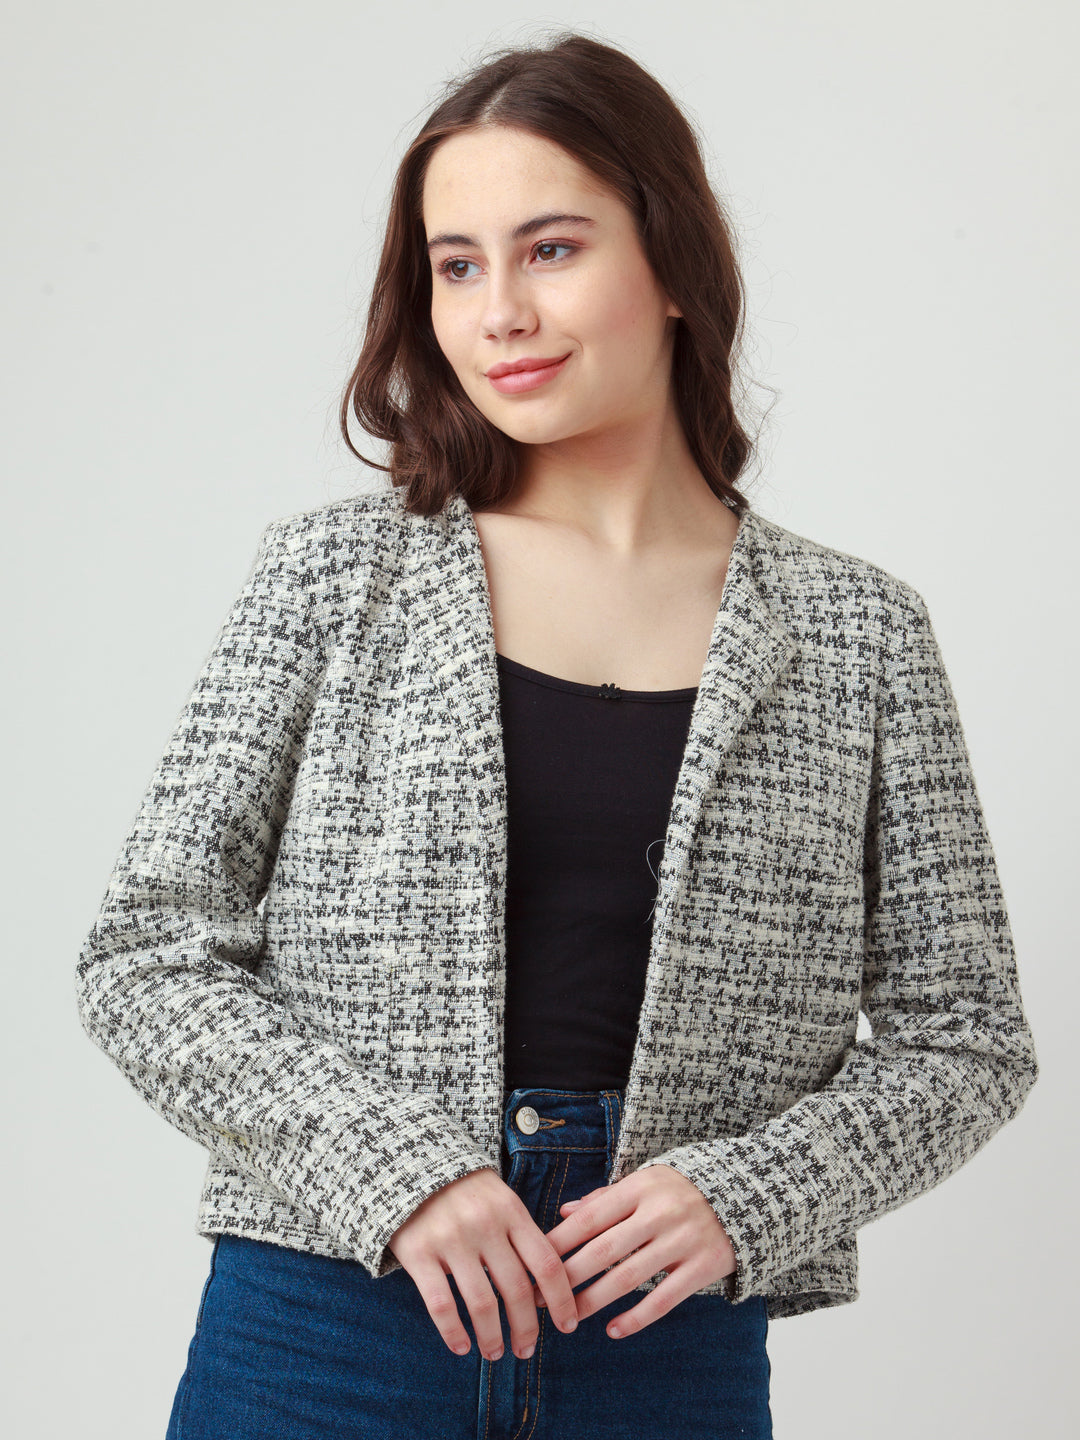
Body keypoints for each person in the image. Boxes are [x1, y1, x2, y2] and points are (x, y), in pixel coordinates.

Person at [74, 30, 1038, 1440]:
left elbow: (967, 1040)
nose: (501, 312)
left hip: (662, 1347)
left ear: (674, 263)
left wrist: (747, 1196)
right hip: (326, 1324)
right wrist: (394, 1172)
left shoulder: (859, 634)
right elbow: (146, 954)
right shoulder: (335, 577)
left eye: (552, 249)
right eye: (457, 266)